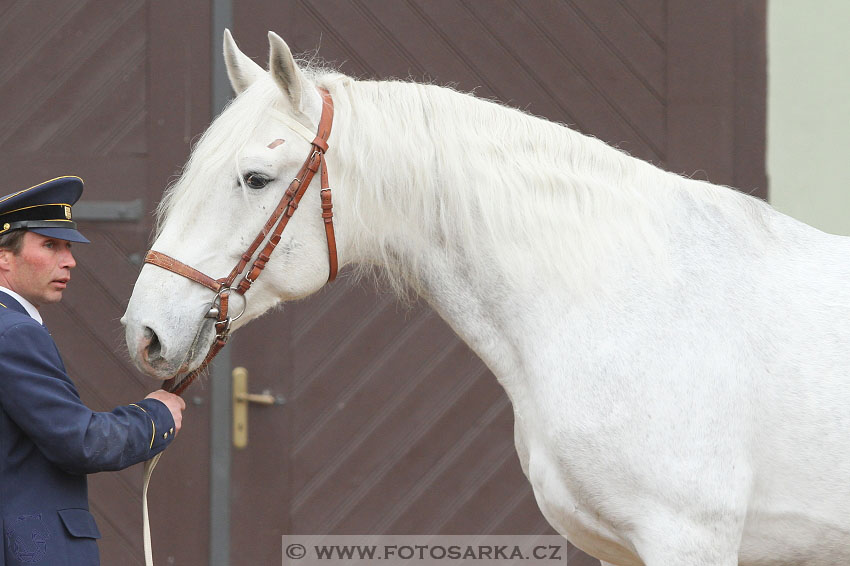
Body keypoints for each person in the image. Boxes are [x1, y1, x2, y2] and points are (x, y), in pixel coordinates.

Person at [0, 176, 185, 566]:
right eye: (50, 245)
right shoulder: (14, 333)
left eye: (67, 247)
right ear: (4, 256)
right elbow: (79, 442)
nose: (69, 260)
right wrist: (155, 418)